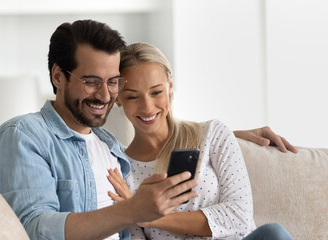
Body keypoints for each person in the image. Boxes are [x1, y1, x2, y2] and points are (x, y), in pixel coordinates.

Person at [0, 19, 295, 240]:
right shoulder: (24, 136)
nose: (104, 95)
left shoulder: (108, 147)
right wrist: (133, 210)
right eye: (91, 81)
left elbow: (163, 142)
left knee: (274, 234)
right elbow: (34, 229)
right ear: (58, 76)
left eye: (112, 83)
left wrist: (229, 136)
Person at [106, 42, 294, 239]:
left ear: (170, 87)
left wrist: (150, 217)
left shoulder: (212, 134)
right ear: (118, 98)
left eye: (156, 92)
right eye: (133, 97)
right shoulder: (123, 172)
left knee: (274, 233)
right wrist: (132, 212)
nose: (147, 107)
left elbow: (240, 217)